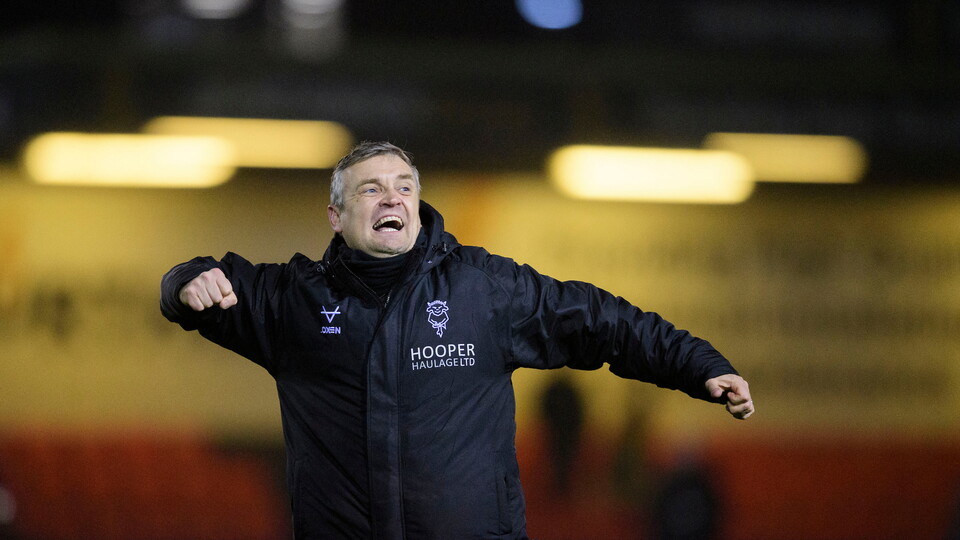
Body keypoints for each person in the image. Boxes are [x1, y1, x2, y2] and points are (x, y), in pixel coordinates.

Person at [160, 141, 754, 540]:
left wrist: (698, 364)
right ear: (336, 216)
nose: (391, 197)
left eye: (404, 187)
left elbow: (602, 321)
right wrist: (187, 282)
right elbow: (197, 283)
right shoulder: (294, 302)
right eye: (370, 189)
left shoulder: (484, 289)